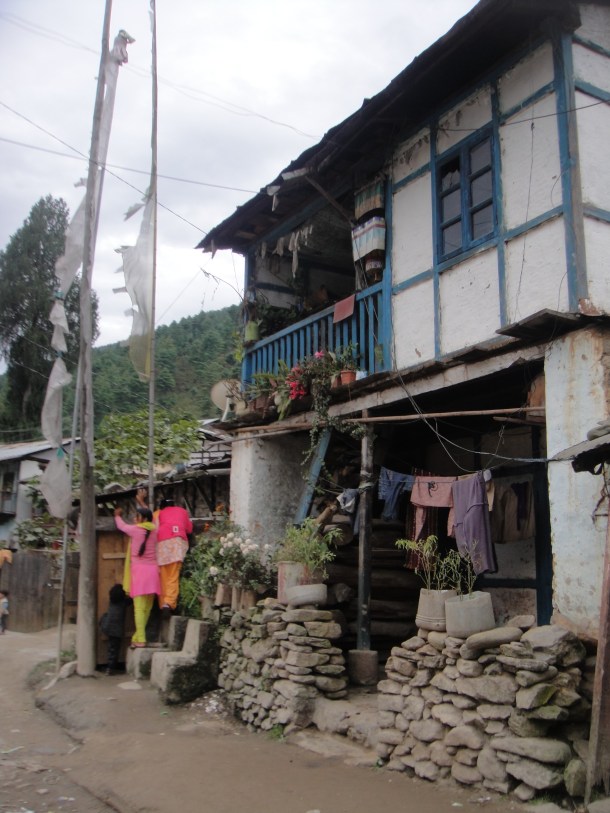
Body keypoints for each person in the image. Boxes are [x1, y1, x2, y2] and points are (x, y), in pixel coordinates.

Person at [137, 491, 193, 618]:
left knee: (163, 576)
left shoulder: (158, 513)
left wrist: (141, 502)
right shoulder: (182, 511)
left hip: (162, 545)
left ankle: (163, 604)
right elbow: (189, 529)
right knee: (173, 576)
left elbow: (150, 523)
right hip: (178, 544)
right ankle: (169, 603)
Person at [114, 506, 160, 648]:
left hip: (139, 572)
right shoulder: (155, 530)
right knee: (147, 608)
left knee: (139, 608)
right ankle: (137, 636)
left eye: (137, 516)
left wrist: (117, 515)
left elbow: (121, 526)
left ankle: (140, 639)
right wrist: (142, 503)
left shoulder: (135, 530)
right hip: (153, 572)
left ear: (143, 519)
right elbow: (154, 519)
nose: (135, 518)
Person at [100, 583, 132, 674]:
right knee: (114, 649)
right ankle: (111, 668)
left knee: (111, 648)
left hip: (107, 626)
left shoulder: (112, 601)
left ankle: (110, 668)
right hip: (116, 630)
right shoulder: (124, 602)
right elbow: (132, 599)